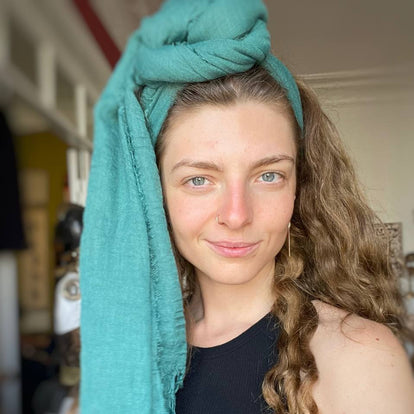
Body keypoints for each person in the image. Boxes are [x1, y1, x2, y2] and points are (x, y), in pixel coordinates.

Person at [79, 1, 414, 413]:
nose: (237, 216)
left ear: (299, 185)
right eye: (199, 180)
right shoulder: (129, 351)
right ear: (156, 192)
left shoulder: (359, 359)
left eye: (268, 175)